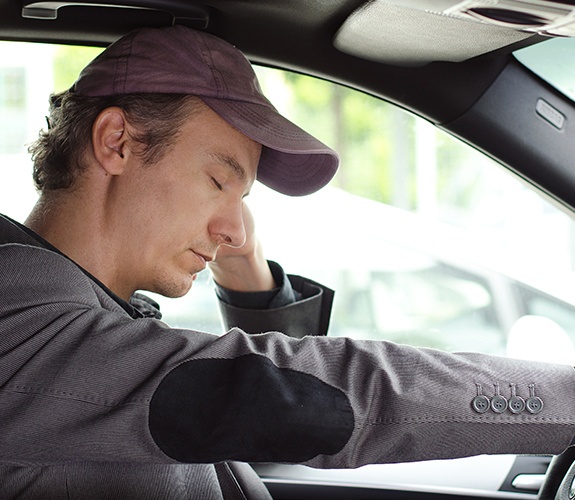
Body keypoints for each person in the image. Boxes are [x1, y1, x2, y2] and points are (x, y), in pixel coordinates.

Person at [0, 25, 574, 499]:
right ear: (117, 141)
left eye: (242, 200)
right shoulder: (20, 326)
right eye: (219, 180)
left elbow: (240, 420)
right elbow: (279, 396)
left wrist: (248, 277)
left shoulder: (92, 316)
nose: (233, 229)